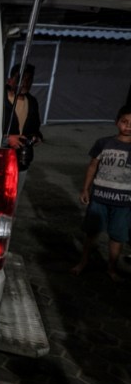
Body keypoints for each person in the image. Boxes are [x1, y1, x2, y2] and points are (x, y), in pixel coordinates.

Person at [70, 105, 131, 281]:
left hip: (124, 202)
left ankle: (111, 268)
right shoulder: (103, 142)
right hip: (99, 198)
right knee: (91, 233)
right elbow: (92, 166)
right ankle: (83, 262)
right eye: (124, 122)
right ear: (116, 122)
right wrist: (85, 189)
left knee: (117, 236)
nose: (128, 126)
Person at [2, 64, 43, 199]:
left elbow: (35, 128)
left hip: (22, 160)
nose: (25, 83)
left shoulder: (32, 102)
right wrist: (7, 139)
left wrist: (36, 137)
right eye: (20, 78)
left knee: (14, 198)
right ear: (10, 80)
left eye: (29, 79)